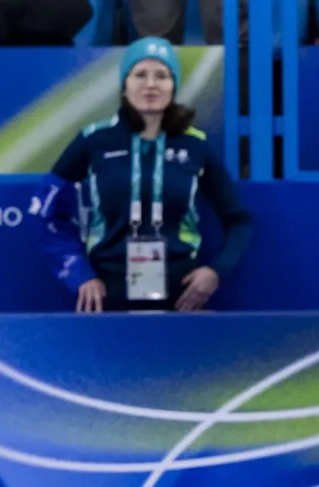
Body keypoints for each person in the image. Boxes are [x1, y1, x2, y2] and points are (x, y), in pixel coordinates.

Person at [32, 37, 252, 313]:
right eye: (140, 74)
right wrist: (79, 275)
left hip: (182, 299)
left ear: (173, 86)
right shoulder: (93, 140)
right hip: (106, 298)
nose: (150, 84)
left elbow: (239, 221)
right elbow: (45, 211)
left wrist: (215, 272)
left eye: (161, 75)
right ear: (125, 85)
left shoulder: (195, 145)